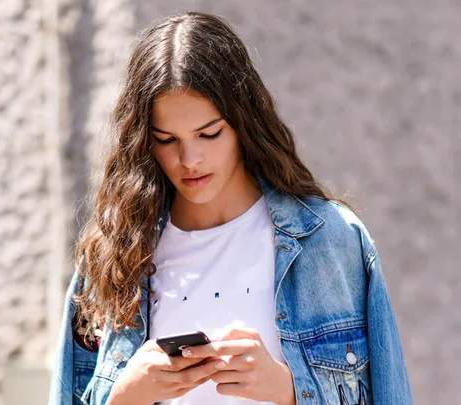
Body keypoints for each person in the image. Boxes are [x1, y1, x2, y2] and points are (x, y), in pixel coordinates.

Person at [48, 11, 412, 405]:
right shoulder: (114, 257)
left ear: (244, 121)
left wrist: (290, 391)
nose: (190, 159)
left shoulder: (331, 243)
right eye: (167, 139)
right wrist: (124, 396)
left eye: (209, 133)